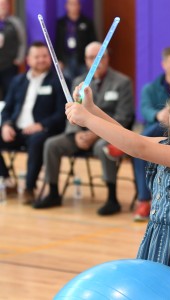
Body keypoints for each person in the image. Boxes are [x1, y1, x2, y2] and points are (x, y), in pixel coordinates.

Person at [66, 81, 170, 299]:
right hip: (159, 237)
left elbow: (138, 148)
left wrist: (87, 119)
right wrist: (91, 109)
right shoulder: (168, 145)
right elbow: (126, 136)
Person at [33, 41, 134, 216]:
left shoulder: (122, 82)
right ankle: (53, 192)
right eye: (90, 57)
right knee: (51, 144)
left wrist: (94, 134)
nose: (96, 61)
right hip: (79, 133)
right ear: (85, 60)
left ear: (107, 58)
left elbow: (123, 117)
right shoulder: (79, 82)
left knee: (103, 148)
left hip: (107, 135)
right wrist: (76, 134)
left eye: (99, 57)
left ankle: (112, 198)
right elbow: (71, 111)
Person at [0, 41, 65, 204]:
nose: (41, 60)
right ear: (28, 59)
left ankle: (29, 188)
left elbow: (61, 113)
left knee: (37, 141)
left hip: (42, 131)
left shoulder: (58, 81)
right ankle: (7, 180)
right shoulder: (18, 81)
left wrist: (41, 125)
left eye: (45, 56)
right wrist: (6, 125)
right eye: (37, 57)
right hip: (17, 129)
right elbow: (7, 108)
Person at [131, 46, 170, 221]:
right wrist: (159, 115)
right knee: (156, 129)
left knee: (142, 144)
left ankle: (129, 144)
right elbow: (145, 110)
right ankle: (144, 201)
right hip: (157, 133)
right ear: (164, 65)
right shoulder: (150, 88)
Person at [55, 0, 97, 82]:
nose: (74, 7)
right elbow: (58, 42)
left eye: (76, 4)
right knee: (68, 82)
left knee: (84, 81)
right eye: (71, 4)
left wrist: (92, 58)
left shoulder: (86, 22)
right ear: (66, 6)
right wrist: (59, 60)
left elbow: (93, 41)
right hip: (66, 59)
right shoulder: (61, 22)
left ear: (79, 6)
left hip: (82, 59)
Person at [0, 0, 27, 100]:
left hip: (9, 65)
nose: (2, 6)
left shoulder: (15, 22)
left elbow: (22, 41)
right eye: (0, 4)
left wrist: (19, 58)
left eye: (4, 4)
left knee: (10, 93)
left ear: (8, 6)